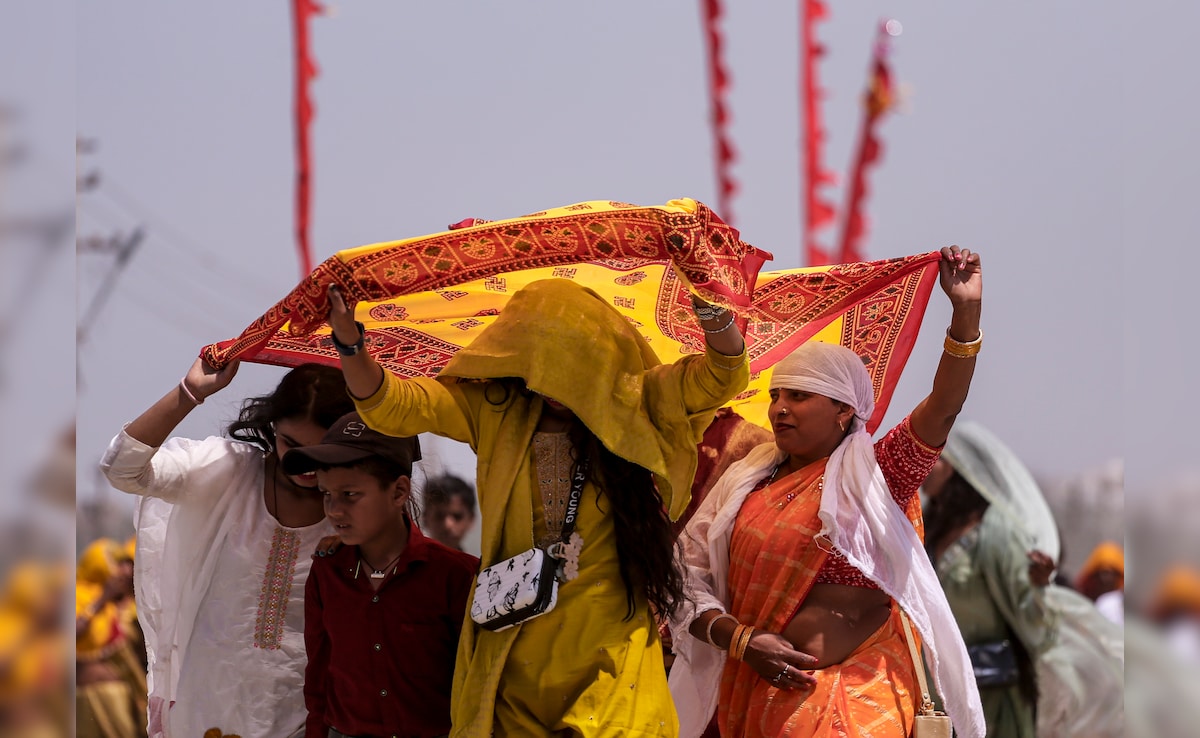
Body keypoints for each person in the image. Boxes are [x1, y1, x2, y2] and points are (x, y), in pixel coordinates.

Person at [327, 277, 749, 736]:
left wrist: (712, 308)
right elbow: (392, 406)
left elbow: (720, 376)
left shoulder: (638, 396)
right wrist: (350, 345)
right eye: (540, 364)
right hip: (514, 638)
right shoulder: (494, 408)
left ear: (596, 355)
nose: (552, 382)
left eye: (567, 364)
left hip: (609, 639)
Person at [669, 245, 986, 738]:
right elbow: (687, 580)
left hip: (865, 698)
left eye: (799, 396)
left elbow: (943, 407)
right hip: (762, 698)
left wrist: (965, 313)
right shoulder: (748, 484)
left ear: (843, 411)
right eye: (775, 395)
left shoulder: (876, 477)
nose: (779, 409)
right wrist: (743, 642)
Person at [100, 361, 355, 738]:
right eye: (291, 446)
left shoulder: (355, 511)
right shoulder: (225, 470)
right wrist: (190, 392)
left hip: (300, 714)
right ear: (272, 430)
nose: (305, 467)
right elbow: (123, 468)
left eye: (321, 451)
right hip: (201, 706)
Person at [924, 422, 1123, 738]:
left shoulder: (997, 533)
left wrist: (1038, 588)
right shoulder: (926, 528)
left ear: (956, 468)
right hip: (938, 695)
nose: (925, 465)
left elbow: (1032, 620)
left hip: (993, 698)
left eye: (936, 457)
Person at [288, 411, 478, 738]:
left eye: (350, 495)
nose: (334, 510)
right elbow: (318, 679)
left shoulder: (456, 575)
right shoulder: (326, 570)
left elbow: (477, 681)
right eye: (326, 494)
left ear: (398, 492)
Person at [75, 538, 144, 738]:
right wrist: (103, 598)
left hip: (120, 693)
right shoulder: (79, 594)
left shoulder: (114, 605)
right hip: (94, 696)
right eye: (117, 563)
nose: (124, 570)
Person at [420, 473, 478, 551]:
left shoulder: (476, 563)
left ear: (471, 519)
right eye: (439, 516)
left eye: (457, 516)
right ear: (425, 518)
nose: (448, 525)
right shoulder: (406, 561)